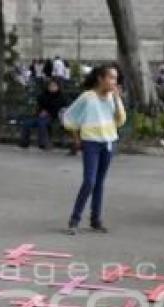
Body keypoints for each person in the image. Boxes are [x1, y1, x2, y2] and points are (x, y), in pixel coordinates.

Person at [63, 63, 126, 235]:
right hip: (91, 143)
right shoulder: (87, 97)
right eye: (111, 77)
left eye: (116, 78)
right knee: (89, 181)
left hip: (109, 142)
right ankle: (74, 219)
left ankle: (95, 220)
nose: (114, 81)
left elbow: (120, 121)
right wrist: (76, 138)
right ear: (101, 78)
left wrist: (117, 98)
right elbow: (69, 116)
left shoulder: (113, 97)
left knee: (99, 183)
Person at [20, 78, 66, 149]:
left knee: (42, 123)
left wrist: (48, 112)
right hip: (39, 115)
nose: (52, 87)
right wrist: (40, 112)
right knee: (26, 123)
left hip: (53, 116)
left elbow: (60, 109)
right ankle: (24, 143)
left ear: (58, 87)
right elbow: (39, 106)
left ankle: (43, 144)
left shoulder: (61, 97)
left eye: (54, 86)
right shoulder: (43, 95)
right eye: (50, 86)